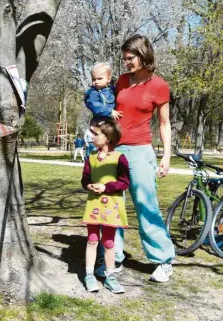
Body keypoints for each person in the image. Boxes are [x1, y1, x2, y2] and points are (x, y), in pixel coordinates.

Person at [94, 34, 176, 283]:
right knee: (111, 205)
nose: (126, 63)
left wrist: (166, 156)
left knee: (145, 205)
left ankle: (163, 259)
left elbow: (164, 123)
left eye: (130, 58)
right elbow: (105, 109)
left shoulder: (159, 85)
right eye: (124, 59)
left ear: (143, 55)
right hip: (115, 151)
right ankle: (113, 256)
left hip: (141, 151)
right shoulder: (119, 81)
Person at [81, 119, 130, 293]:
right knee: (92, 240)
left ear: (108, 137)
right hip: (94, 204)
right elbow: (85, 179)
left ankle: (110, 277)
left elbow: (124, 183)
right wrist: (89, 186)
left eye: (96, 134)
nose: (92, 137)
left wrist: (106, 187)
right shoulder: (90, 157)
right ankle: (89, 275)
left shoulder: (120, 158)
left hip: (112, 207)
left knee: (109, 242)